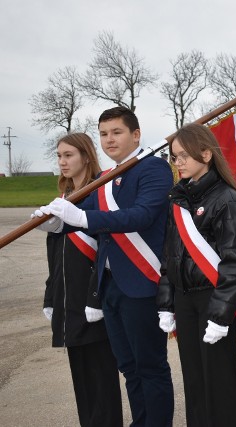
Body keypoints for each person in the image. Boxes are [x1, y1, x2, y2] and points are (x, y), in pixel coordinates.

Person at [36, 106, 175, 426]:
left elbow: (140, 216)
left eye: (117, 132)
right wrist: (55, 224)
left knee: (150, 368)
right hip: (110, 286)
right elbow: (77, 221)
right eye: (103, 134)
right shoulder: (103, 178)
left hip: (142, 283)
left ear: (136, 135)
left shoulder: (153, 169)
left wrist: (82, 218)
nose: (109, 139)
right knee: (128, 368)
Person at [156, 124, 236, 426]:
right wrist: (166, 301)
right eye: (175, 157)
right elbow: (170, 256)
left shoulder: (228, 201)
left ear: (206, 153)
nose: (179, 163)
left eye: (184, 155)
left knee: (220, 384)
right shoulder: (180, 200)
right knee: (195, 383)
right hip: (186, 302)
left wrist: (221, 314)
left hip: (214, 301)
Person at [38, 133, 123, 426]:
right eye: (59, 155)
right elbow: (56, 255)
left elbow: (107, 252)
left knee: (101, 379)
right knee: (83, 381)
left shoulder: (100, 195)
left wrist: (95, 297)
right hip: (69, 298)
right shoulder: (62, 200)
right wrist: (51, 295)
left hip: (94, 299)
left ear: (86, 156)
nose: (62, 162)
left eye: (69, 155)